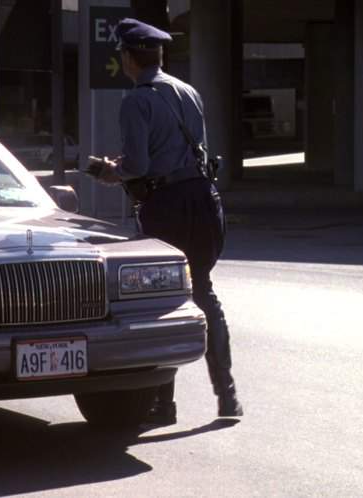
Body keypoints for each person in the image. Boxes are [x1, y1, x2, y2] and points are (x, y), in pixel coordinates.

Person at [93, 18, 243, 424]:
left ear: (128, 58)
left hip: (168, 206)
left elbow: (140, 164)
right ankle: (227, 396)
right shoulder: (188, 91)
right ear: (159, 55)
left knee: (159, 300)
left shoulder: (136, 101)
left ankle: (163, 404)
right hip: (204, 200)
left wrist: (112, 171)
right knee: (205, 293)